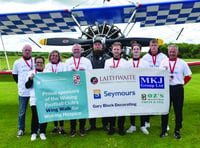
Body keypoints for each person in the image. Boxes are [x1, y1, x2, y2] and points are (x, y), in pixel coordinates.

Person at [159, 45, 192, 139]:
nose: (172, 53)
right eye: (170, 51)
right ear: (168, 52)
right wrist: (163, 70)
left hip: (178, 89)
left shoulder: (182, 63)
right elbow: (158, 74)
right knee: (165, 110)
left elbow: (189, 75)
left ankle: (177, 130)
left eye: (174, 51)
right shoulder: (164, 62)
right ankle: (164, 130)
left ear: (177, 52)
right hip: (166, 89)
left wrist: (182, 84)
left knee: (178, 111)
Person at [64, 43, 92, 137]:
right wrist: (69, 73)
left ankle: (82, 128)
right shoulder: (68, 61)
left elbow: (91, 74)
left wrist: (84, 72)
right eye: (74, 49)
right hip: (72, 89)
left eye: (78, 49)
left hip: (83, 88)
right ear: (72, 51)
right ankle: (73, 129)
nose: (76, 51)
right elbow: (64, 75)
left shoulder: (87, 61)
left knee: (82, 108)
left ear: (81, 50)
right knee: (73, 110)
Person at [142, 39, 168, 132]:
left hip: (160, 83)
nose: (153, 47)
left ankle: (165, 124)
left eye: (155, 45)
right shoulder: (145, 57)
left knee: (162, 103)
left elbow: (167, 68)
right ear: (149, 46)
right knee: (147, 102)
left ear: (158, 46)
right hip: (148, 84)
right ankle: (146, 121)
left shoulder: (164, 57)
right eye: (152, 45)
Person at [104, 42, 129, 135]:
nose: (116, 51)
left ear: (121, 50)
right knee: (112, 108)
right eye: (115, 49)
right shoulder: (107, 62)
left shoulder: (125, 63)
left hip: (122, 89)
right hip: (111, 89)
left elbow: (128, 76)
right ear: (112, 50)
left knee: (122, 109)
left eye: (118, 49)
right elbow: (104, 75)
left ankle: (121, 128)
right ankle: (112, 127)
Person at [86, 39, 110, 131]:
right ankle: (92, 125)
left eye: (99, 44)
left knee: (105, 105)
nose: (97, 46)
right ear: (93, 46)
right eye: (95, 44)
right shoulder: (88, 58)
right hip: (92, 85)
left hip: (104, 85)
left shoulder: (108, 58)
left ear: (102, 46)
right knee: (92, 105)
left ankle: (105, 124)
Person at [126, 42, 150, 135]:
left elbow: (148, 75)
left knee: (143, 107)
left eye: (137, 49)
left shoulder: (145, 63)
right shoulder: (128, 63)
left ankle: (143, 126)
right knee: (132, 106)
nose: (136, 51)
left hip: (142, 88)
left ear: (140, 51)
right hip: (132, 88)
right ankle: (132, 125)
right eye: (134, 49)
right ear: (132, 51)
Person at [12, 44, 35, 137]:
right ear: (22, 51)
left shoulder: (35, 61)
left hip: (34, 91)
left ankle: (37, 128)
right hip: (23, 91)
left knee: (35, 111)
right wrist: (21, 84)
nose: (27, 51)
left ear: (31, 51)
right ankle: (21, 129)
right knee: (22, 112)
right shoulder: (17, 62)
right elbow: (14, 75)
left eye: (29, 50)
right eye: (25, 50)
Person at [44, 50, 66, 135]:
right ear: (50, 56)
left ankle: (61, 127)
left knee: (61, 109)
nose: (54, 57)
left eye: (56, 55)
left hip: (60, 91)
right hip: (51, 91)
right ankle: (55, 126)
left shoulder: (62, 65)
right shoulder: (47, 66)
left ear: (59, 57)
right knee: (54, 109)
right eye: (52, 55)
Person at [25, 56, 48, 141]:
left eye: (41, 62)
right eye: (37, 62)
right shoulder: (31, 73)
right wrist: (30, 79)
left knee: (44, 115)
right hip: (34, 98)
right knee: (35, 116)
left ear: (43, 64)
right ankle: (34, 133)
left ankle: (42, 132)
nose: (39, 64)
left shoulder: (46, 72)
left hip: (45, 98)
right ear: (35, 63)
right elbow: (27, 86)